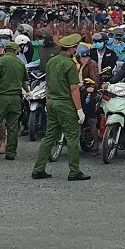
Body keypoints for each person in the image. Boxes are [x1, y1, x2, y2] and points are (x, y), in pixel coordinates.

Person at [31, 34, 90, 181]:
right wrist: (79, 110)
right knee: (72, 137)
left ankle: (39, 169)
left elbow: (48, 85)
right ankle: (74, 171)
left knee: (49, 136)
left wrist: (48, 101)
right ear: (72, 49)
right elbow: (74, 89)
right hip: (65, 104)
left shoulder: (52, 62)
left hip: (52, 102)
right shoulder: (70, 65)